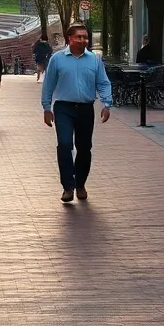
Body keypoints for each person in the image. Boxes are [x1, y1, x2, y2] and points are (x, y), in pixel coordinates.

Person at [42, 23, 113, 203]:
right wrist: (46, 108)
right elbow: (48, 84)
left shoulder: (95, 60)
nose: (83, 40)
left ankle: (80, 183)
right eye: (79, 37)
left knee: (84, 147)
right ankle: (68, 186)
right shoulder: (57, 59)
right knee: (65, 144)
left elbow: (103, 83)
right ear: (70, 39)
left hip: (85, 108)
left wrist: (107, 104)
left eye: (85, 37)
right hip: (63, 107)